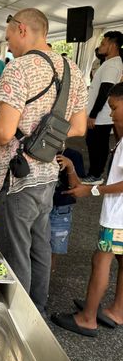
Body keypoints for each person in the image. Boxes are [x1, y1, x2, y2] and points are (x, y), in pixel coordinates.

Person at [0, 8, 88, 314]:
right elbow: (78, 128)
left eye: (9, 36)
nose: (8, 44)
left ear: (22, 29)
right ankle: (37, 309)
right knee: (40, 245)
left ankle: (19, 319)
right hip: (47, 173)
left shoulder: (19, 69)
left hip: (16, 176)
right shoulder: (71, 68)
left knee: (15, 251)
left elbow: (3, 133)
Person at [51, 82, 123, 337]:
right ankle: (116, 310)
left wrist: (92, 190)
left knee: (100, 260)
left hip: (118, 217)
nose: (112, 114)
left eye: (114, 108)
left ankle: (88, 317)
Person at [82, 31, 123, 185]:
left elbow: (105, 90)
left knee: (96, 144)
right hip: (101, 114)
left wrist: (93, 115)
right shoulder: (110, 63)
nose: (100, 47)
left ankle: (96, 174)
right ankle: (95, 173)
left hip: (101, 115)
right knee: (96, 143)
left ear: (113, 45)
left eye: (103, 43)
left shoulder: (112, 65)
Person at [50, 149, 84, 272]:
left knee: (52, 251)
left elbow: (77, 189)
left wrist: (70, 166)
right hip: (37, 207)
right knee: (35, 248)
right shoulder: (34, 151)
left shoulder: (73, 155)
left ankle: (44, 287)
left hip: (60, 209)